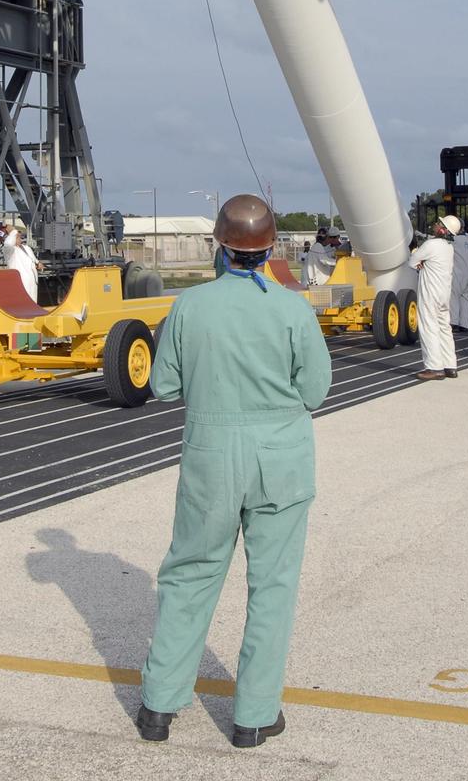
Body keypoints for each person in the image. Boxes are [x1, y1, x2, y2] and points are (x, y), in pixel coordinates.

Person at [136, 194, 331, 749]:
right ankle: (253, 716)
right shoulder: (293, 308)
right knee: (272, 586)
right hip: (281, 457)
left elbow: (164, 385)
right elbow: (315, 391)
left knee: (190, 575)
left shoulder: (190, 305)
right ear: (271, 249)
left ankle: (158, 706)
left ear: (219, 246)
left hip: (211, 454)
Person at [409, 214, 459, 380]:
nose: (436, 225)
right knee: (444, 327)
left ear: (443, 230)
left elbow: (412, 261)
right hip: (444, 293)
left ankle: (434, 367)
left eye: (439, 224)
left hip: (430, 292)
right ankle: (450, 365)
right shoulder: (449, 247)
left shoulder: (430, 245)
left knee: (428, 327)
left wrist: (421, 262)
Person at [1, 220, 43, 303]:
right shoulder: (10, 251)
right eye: (17, 237)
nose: (19, 238)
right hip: (21, 284)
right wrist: (12, 231)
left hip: (31, 283)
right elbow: (8, 244)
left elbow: (32, 258)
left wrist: (38, 263)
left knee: (32, 305)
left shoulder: (26, 248)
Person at [450, 225, 468, 331]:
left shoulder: (454, 240)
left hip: (458, 274)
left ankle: (454, 322)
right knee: (466, 299)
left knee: (454, 298)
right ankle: (464, 324)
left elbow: (438, 241)